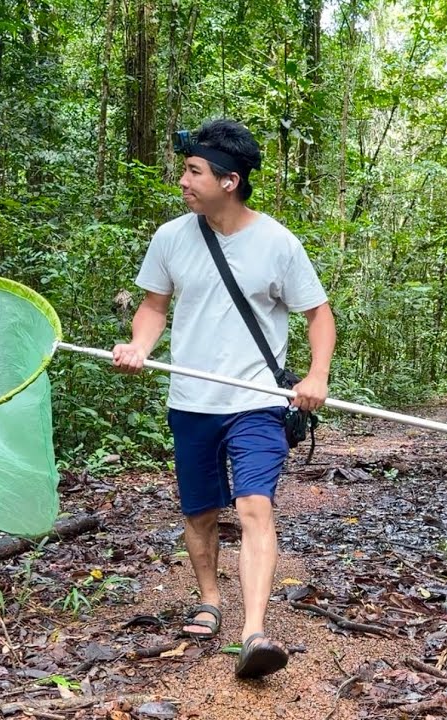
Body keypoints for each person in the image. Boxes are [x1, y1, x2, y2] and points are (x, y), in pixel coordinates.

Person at [111, 119, 335, 680]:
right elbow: (154, 306)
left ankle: (254, 630)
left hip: (257, 399)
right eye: (186, 170)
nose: (183, 180)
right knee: (200, 510)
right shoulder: (171, 237)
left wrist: (316, 376)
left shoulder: (277, 243)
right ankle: (210, 598)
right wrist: (139, 344)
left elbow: (318, 315)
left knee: (255, 507)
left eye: (193, 171)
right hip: (191, 401)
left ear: (229, 180)